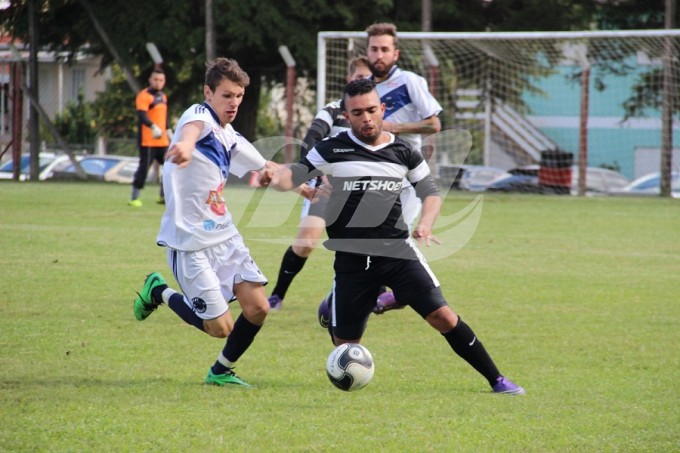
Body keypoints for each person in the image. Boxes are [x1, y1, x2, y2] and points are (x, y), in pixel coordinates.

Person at [261, 78, 525, 395]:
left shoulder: (403, 152)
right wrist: (276, 177)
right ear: (346, 115)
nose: (366, 118)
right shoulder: (332, 149)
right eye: (357, 112)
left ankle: (497, 379)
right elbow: (295, 173)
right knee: (343, 346)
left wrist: (426, 224)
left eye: (372, 110)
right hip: (351, 262)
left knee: (443, 316)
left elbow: (430, 192)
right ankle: (333, 308)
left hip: (398, 255)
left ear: (382, 109)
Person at [132, 58, 279, 387]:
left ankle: (220, 371)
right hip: (190, 242)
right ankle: (159, 292)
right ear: (208, 92)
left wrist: (306, 187)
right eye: (227, 95)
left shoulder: (230, 136)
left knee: (257, 308)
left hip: (225, 236)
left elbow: (267, 166)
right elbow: (190, 132)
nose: (234, 103)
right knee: (220, 328)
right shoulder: (198, 116)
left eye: (239, 96)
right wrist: (184, 144)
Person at [267, 56, 372, 311]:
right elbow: (313, 135)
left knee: (368, 245)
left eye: (367, 79)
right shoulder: (334, 110)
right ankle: (277, 295)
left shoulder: (375, 116)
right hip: (327, 187)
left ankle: (373, 292)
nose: (362, 82)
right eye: (358, 77)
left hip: (363, 191)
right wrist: (322, 171)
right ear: (349, 79)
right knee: (306, 241)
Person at [129, 68, 170, 207]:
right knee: (144, 168)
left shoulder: (163, 96)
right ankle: (134, 198)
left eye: (161, 80)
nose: (158, 82)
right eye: (155, 79)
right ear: (150, 80)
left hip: (163, 141)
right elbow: (142, 115)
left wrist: (169, 130)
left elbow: (165, 117)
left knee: (171, 167)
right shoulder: (144, 95)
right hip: (148, 141)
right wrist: (153, 127)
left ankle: (163, 196)